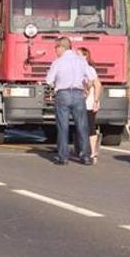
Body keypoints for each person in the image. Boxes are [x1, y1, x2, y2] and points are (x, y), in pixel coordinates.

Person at [46, 37, 97, 165]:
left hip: (63, 94)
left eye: (56, 48)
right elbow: (91, 77)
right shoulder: (81, 61)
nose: (55, 51)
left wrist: (55, 85)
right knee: (82, 126)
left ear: (61, 47)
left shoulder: (58, 62)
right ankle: (85, 156)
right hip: (78, 94)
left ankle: (63, 157)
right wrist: (87, 89)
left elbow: (49, 80)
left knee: (63, 126)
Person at [77, 47, 103, 163]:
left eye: (79, 55)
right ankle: (84, 150)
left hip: (89, 102)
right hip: (79, 102)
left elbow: (97, 85)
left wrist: (96, 101)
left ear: (85, 56)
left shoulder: (89, 69)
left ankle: (93, 152)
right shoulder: (76, 69)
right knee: (81, 127)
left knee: (90, 126)